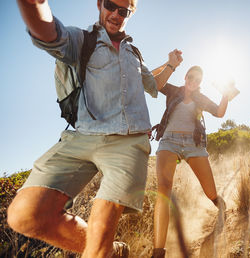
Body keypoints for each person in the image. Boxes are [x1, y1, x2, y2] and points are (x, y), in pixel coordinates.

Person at [7, 0, 182, 257]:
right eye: (111, 5)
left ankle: (102, 248)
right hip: (81, 137)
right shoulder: (81, 39)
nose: (116, 14)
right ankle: (112, 251)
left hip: (128, 142)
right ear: (100, 3)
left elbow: (153, 84)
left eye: (124, 11)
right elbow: (48, 33)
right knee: (24, 215)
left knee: (99, 235)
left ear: (129, 15)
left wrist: (172, 65)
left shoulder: (133, 53)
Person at [151, 66, 229, 258]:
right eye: (191, 77)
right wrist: (168, 64)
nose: (193, 81)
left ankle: (221, 207)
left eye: (198, 80)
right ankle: (158, 251)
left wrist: (226, 94)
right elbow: (151, 79)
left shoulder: (201, 98)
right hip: (169, 141)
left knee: (210, 191)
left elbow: (219, 112)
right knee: (164, 190)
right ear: (185, 77)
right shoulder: (172, 90)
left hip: (194, 145)